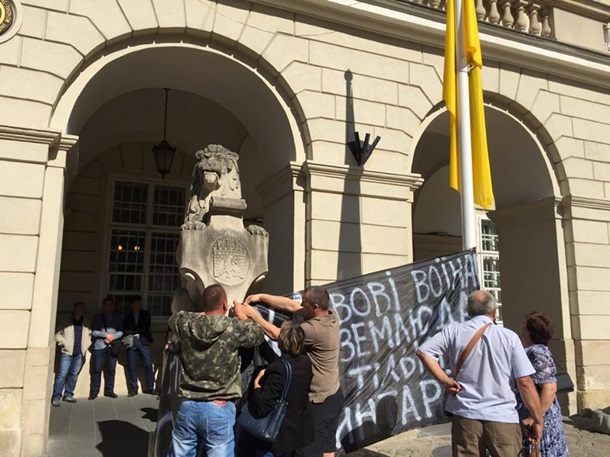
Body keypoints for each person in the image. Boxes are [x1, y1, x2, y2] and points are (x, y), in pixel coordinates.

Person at [416, 290, 544, 457]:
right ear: (494, 311)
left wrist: (445, 380)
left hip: (465, 415)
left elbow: (424, 352)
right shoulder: (509, 337)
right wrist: (538, 419)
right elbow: (525, 382)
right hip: (501, 416)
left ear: (469, 311)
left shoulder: (454, 331)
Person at [239, 286, 343, 457]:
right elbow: (292, 306)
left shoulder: (314, 329)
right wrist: (261, 296)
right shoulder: (330, 315)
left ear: (315, 307)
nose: (300, 304)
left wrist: (252, 315)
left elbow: (277, 335)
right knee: (327, 449)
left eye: (305, 303)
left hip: (319, 401)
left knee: (309, 452)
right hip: (334, 394)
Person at [168, 284, 264, 457]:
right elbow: (257, 334)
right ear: (225, 304)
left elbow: (176, 317)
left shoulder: (187, 324)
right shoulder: (233, 327)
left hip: (189, 403)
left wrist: (204, 314)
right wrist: (242, 315)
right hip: (219, 406)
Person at [246, 320, 314, 457]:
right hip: (295, 435)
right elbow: (280, 363)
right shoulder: (305, 363)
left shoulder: (278, 369)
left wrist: (257, 385)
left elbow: (262, 407)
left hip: (276, 439)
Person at [517, 312, 570, 457]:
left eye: (524, 324)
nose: (521, 326)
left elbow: (550, 388)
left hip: (540, 420)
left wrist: (534, 418)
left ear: (529, 331)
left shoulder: (536, 353)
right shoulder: (535, 351)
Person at [51, 301, 91, 406]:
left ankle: (68, 394)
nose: (80, 310)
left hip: (79, 353)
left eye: (83, 308)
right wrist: (64, 344)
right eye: (79, 308)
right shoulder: (66, 321)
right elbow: (58, 334)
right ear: (74, 308)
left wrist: (86, 346)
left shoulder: (86, 322)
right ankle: (56, 397)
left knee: (74, 374)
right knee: (62, 374)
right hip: (67, 352)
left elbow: (89, 335)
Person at [89, 297, 123, 400]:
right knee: (97, 369)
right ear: (103, 306)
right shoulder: (98, 317)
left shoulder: (118, 317)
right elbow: (93, 332)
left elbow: (121, 331)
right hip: (100, 346)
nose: (109, 307)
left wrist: (112, 337)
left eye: (111, 305)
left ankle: (109, 390)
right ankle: (94, 391)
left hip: (112, 346)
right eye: (107, 305)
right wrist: (105, 335)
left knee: (111, 369)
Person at [123, 296, 155, 396]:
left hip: (143, 340)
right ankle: (133, 388)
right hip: (131, 341)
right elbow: (125, 329)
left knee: (148, 364)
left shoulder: (145, 314)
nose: (139, 305)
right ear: (132, 305)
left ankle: (150, 387)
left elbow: (145, 327)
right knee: (132, 366)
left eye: (140, 303)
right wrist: (134, 331)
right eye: (137, 304)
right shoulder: (127, 315)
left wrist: (134, 330)